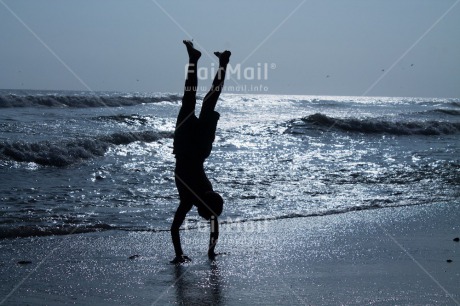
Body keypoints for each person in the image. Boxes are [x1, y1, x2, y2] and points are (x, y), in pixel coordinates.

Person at [170, 40, 231, 264]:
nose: (206, 218)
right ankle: (198, 60)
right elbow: (175, 228)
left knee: (206, 101)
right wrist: (183, 254)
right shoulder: (190, 198)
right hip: (186, 146)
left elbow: (213, 227)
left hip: (199, 148)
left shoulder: (204, 195)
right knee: (193, 99)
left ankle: (220, 62)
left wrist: (210, 252)